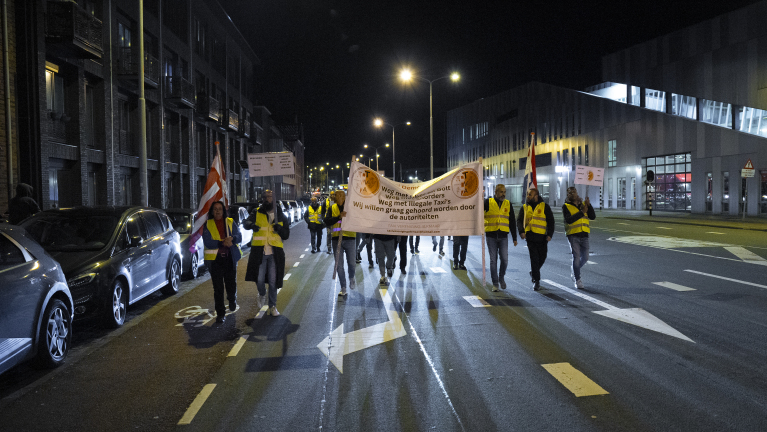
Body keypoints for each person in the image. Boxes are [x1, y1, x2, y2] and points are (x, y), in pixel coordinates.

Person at [244, 190, 290, 317]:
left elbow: (286, 234)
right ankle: (262, 293)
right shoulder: (256, 212)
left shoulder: (280, 214)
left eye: (269, 197)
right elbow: (246, 223)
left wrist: (279, 229)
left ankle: (272, 306)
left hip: (275, 252)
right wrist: (251, 225)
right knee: (259, 279)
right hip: (260, 251)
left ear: (274, 199)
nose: (266, 199)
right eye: (264, 197)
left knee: (273, 281)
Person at [202, 201, 242, 324]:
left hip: (229, 258)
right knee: (218, 288)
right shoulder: (207, 224)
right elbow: (207, 241)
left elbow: (239, 236)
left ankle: (232, 299)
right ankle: (220, 314)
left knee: (231, 284)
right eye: (215, 209)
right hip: (215, 261)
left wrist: (233, 239)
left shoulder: (229, 222)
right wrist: (221, 243)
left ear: (223, 211)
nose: (218, 211)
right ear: (212, 211)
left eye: (220, 209)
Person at [516, 188, 555, 291]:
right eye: (528, 194)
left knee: (542, 257)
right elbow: (519, 220)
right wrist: (521, 231)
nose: (528, 196)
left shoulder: (544, 206)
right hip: (531, 238)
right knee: (534, 259)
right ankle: (536, 281)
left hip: (542, 238)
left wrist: (550, 234)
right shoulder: (524, 207)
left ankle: (533, 272)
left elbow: (551, 221)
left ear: (536, 196)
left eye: (530, 195)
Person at [484, 185, 518, 291]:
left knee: (505, 260)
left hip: (503, 236)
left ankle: (501, 277)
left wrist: (514, 238)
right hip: (491, 236)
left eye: (504, 192)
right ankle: (495, 283)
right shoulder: (487, 202)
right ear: (496, 192)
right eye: (501, 192)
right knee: (493, 261)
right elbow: (478, 214)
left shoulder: (508, 203)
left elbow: (512, 221)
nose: (503, 194)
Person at [324, 190, 356, 296]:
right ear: (335, 197)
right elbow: (327, 221)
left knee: (352, 263)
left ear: (346, 196)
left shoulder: (351, 208)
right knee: (339, 265)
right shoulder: (332, 208)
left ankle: (351, 277)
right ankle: (343, 287)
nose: (341, 196)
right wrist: (338, 217)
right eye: (338, 195)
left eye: (343, 195)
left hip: (350, 238)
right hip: (336, 240)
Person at [562, 187, 596, 289]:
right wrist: (581, 212)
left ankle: (574, 269)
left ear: (577, 193)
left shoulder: (583, 204)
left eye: (574, 191)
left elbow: (592, 216)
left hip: (584, 234)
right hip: (573, 235)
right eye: (570, 192)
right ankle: (578, 280)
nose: (572, 193)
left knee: (585, 257)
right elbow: (569, 220)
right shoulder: (566, 206)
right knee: (576, 257)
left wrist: (589, 206)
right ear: (568, 195)